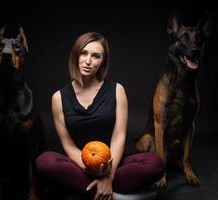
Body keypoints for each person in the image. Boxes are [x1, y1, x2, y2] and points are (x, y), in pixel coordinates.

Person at [36, 32, 165, 199]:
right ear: (76, 55)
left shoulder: (117, 90)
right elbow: (68, 146)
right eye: (84, 53)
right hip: (80, 166)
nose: (88, 61)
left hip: (113, 164)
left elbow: (119, 138)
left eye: (96, 56)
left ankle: (91, 191)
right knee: (44, 161)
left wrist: (108, 176)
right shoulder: (58, 98)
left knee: (155, 164)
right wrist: (92, 170)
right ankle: (114, 196)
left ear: (103, 61)